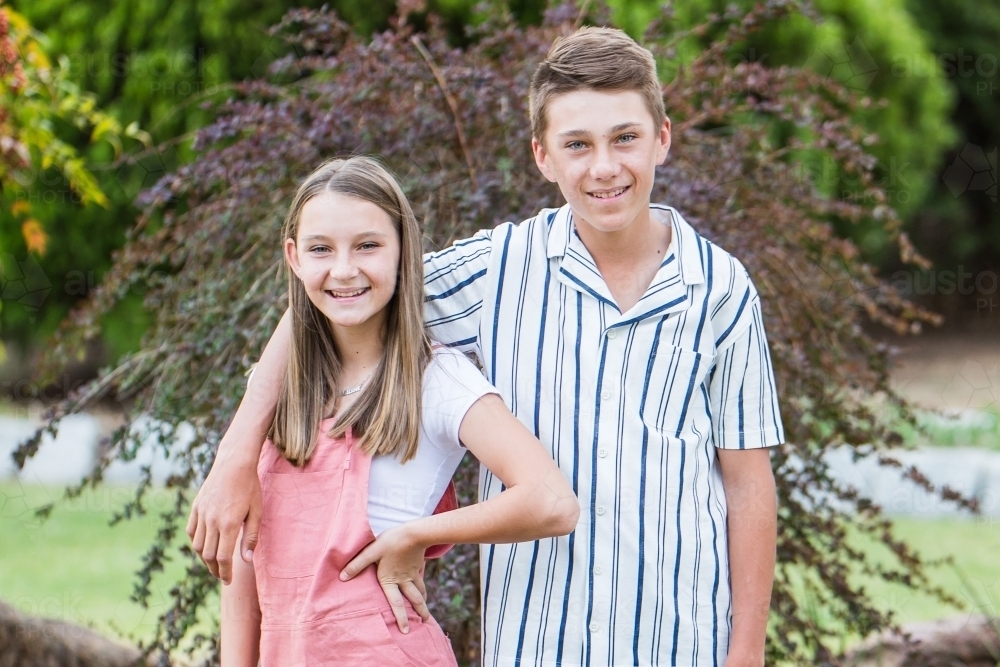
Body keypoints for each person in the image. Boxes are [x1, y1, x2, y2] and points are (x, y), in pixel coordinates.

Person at [194, 26, 784, 667]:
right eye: (577, 145)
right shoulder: (497, 269)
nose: (605, 166)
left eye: (626, 138)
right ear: (543, 156)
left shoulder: (722, 289)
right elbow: (332, 297)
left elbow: (747, 483)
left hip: (681, 636)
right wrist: (236, 453)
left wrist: (745, 651)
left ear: (662, 138)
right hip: (537, 638)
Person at [216, 156, 580, 667]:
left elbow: (552, 502)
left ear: (404, 251)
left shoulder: (435, 378)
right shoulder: (279, 392)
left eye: (368, 245)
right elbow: (244, 559)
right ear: (294, 258)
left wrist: (416, 535)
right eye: (322, 249)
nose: (344, 269)